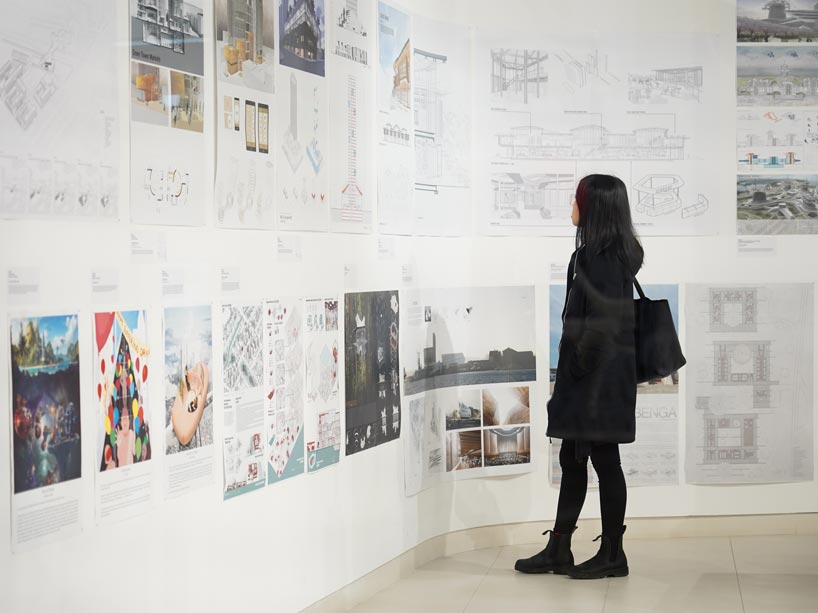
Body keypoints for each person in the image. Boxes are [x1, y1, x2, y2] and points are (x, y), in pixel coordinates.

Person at [515, 174, 643, 580]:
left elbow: (601, 327)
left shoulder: (599, 258)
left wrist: (576, 376)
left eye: (577, 198)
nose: (571, 204)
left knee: (605, 461)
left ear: (596, 208)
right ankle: (560, 547)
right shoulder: (609, 254)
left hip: (595, 384)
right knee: (573, 461)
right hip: (595, 380)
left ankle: (612, 554)